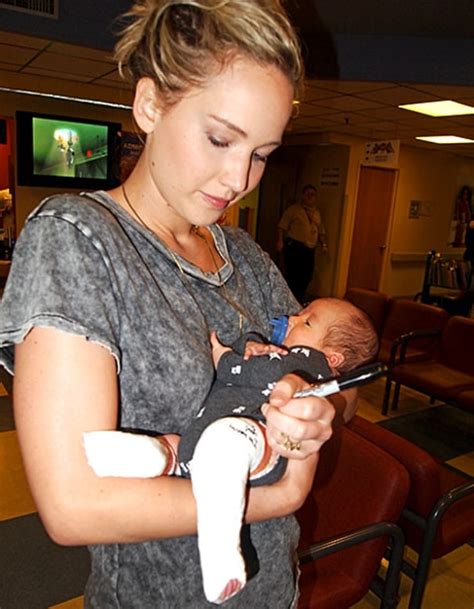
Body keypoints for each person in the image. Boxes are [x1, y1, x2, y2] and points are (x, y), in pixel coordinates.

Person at [0, 2, 357, 608]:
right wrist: (284, 490)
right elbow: (74, 504)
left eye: (262, 153)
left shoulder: (243, 254)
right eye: (220, 138)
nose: (239, 177)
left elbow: (336, 382)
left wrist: (318, 414)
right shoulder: (78, 239)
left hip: (274, 590)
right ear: (150, 106)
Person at [83, 297, 378, 604]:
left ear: (332, 359)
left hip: (255, 440)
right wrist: (251, 344)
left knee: (224, 443)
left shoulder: (306, 363)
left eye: (306, 321)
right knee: (181, 445)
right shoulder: (287, 351)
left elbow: (248, 373)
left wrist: (223, 355)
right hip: (203, 440)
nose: (290, 317)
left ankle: (222, 551)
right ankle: (157, 455)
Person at [277, 184, 328, 304]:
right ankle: (291, 300)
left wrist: (324, 244)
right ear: (303, 196)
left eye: (313, 195)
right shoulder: (294, 210)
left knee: (307, 275)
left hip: (310, 248)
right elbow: (282, 226)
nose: (310, 197)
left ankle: (299, 299)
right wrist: (280, 241)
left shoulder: (316, 213)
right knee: (294, 276)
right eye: (308, 194)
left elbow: (321, 230)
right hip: (295, 247)